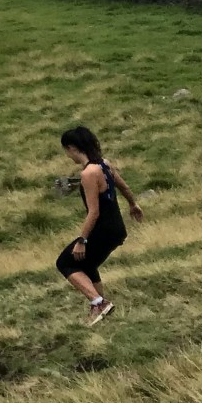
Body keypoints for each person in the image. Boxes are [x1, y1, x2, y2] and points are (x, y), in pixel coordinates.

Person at [56, 126, 144, 326]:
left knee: (65, 262)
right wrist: (133, 204)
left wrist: (82, 240)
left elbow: (93, 212)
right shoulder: (105, 164)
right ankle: (101, 311)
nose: (67, 156)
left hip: (102, 230)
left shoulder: (89, 173)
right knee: (87, 265)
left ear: (72, 148)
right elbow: (124, 187)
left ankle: (99, 303)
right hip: (117, 229)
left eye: (66, 151)